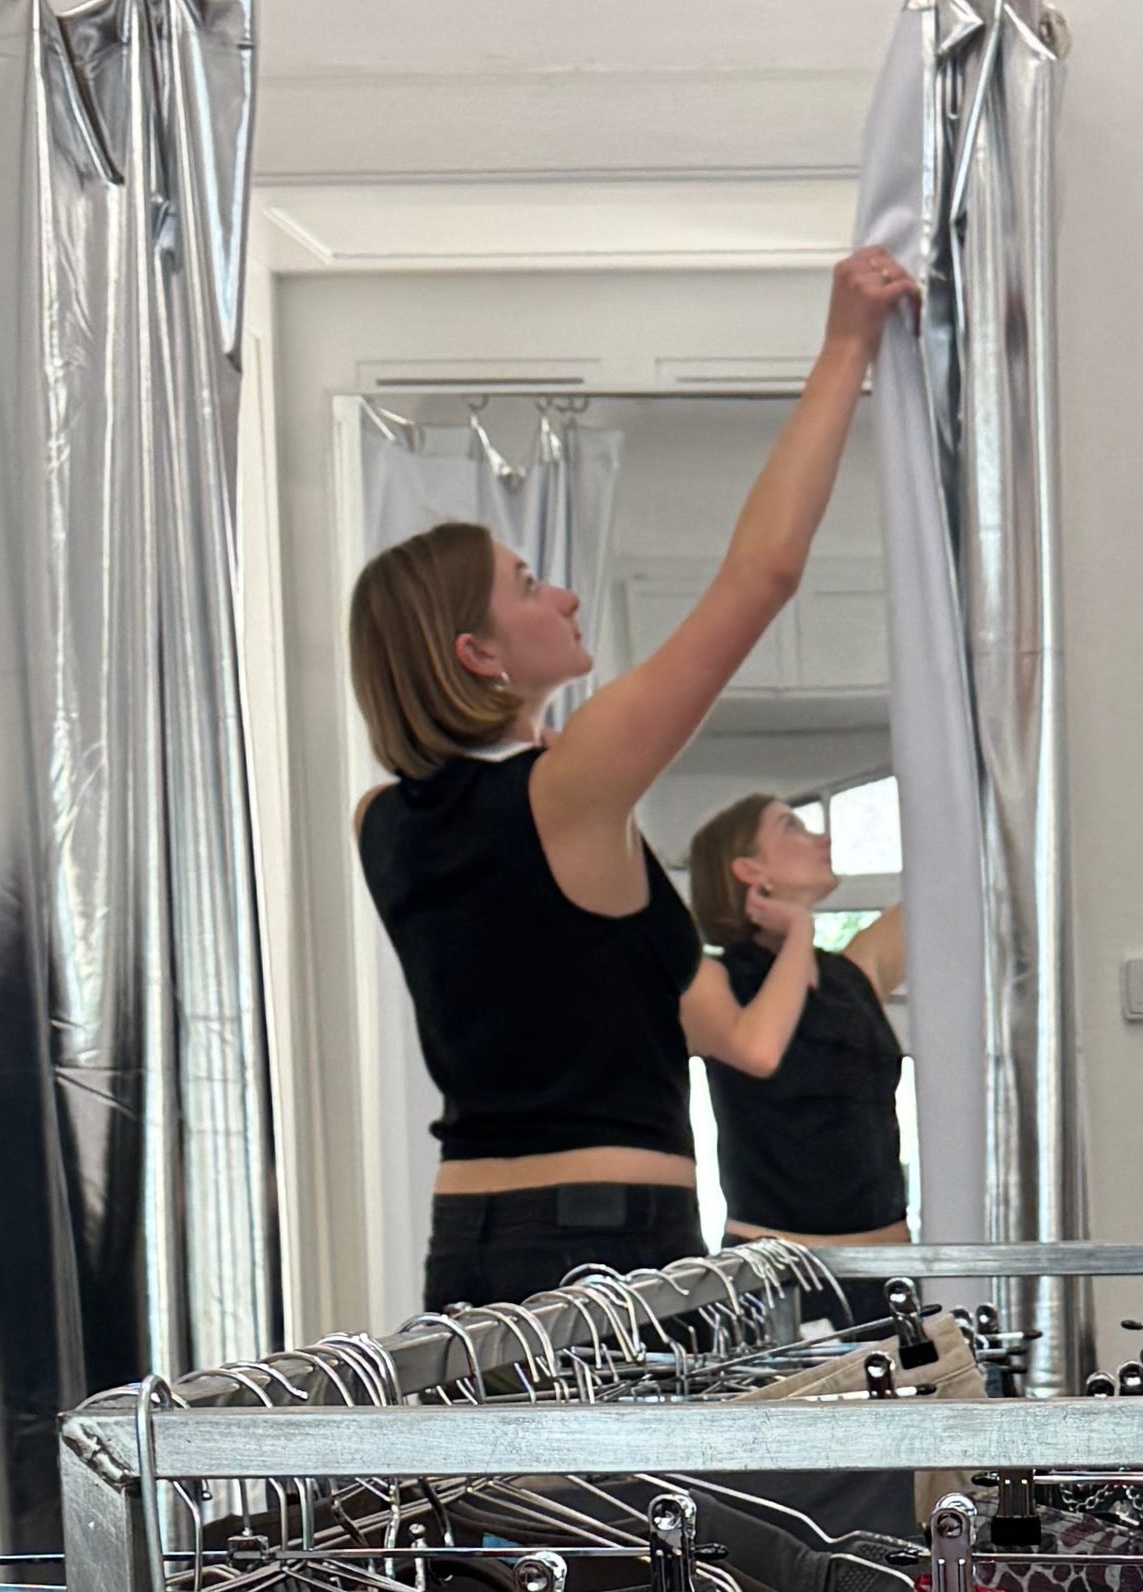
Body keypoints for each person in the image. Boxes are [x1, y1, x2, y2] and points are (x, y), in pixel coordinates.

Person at [350, 250, 915, 1312]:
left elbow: (689, 1022)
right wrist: (847, 345)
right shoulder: (565, 791)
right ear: (478, 652)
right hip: (602, 1241)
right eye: (528, 585)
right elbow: (762, 575)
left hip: (469, 1241)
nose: (563, 596)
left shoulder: (381, 817)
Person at [685, 794, 910, 1245]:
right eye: (790, 826)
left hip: (888, 1260)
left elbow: (946, 884)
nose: (822, 839)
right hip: (774, 1266)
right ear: (748, 869)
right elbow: (762, 1050)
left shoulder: (854, 975)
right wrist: (799, 929)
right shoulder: (714, 981)